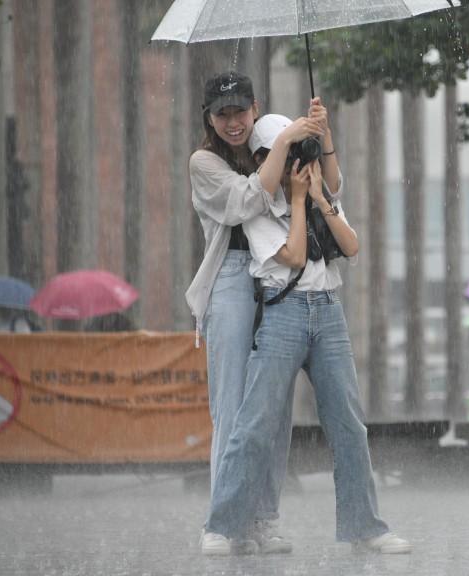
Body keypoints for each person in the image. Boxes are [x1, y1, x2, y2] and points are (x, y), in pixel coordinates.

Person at [203, 114, 411, 555]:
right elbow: (295, 256)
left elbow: (351, 246)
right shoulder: (257, 209)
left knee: (349, 426)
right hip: (282, 313)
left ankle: (366, 527)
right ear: (264, 159)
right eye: (285, 151)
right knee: (254, 423)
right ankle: (222, 526)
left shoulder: (320, 195)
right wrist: (297, 201)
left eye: (299, 150)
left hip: (329, 313)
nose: (296, 161)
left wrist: (318, 197)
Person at [184, 70, 329, 556]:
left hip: (278, 276)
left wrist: (317, 137)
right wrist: (288, 137)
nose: (233, 122)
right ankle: (222, 523)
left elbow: (328, 188)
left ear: (254, 107)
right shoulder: (204, 161)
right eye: (222, 114)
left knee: (274, 404)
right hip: (231, 275)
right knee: (231, 403)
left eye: (240, 112)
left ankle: (264, 517)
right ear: (208, 117)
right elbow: (248, 201)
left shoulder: (270, 144)